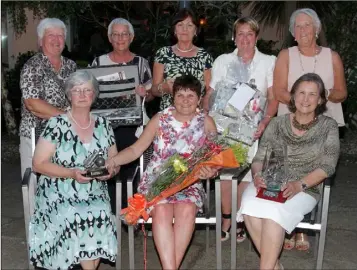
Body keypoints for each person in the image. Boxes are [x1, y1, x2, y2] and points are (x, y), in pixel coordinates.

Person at [107, 75, 219, 269]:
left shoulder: (206, 122)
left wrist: (212, 170)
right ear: (172, 97)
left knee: (186, 209)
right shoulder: (160, 119)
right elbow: (136, 149)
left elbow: (216, 158)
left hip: (189, 182)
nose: (185, 100)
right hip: (157, 181)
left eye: (191, 95)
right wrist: (113, 160)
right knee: (162, 211)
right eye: (180, 95)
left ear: (199, 99)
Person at [238, 73, 340, 270]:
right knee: (249, 205)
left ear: (320, 100)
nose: (306, 99)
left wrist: (298, 185)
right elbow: (259, 158)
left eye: (312, 94)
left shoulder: (329, 126)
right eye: (301, 92)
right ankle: (275, 266)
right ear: (293, 96)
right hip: (269, 181)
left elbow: (328, 166)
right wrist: (258, 175)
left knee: (275, 213)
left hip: (305, 187)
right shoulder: (277, 123)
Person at [273, 8, 347, 250]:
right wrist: (302, 107)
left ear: (317, 30)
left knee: (312, 176)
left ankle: (302, 229)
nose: (303, 30)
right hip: (291, 123)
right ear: (293, 33)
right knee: (287, 173)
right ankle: (286, 227)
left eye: (307, 25)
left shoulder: (331, 56)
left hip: (323, 124)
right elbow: (279, 91)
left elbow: (342, 92)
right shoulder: (286, 55)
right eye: (298, 26)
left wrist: (320, 98)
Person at [29, 70, 118, 269]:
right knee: (79, 215)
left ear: (94, 95)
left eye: (87, 90)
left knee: (100, 213)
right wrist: (71, 173)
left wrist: (111, 171)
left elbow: (114, 160)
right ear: (69, 95)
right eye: (77, 90)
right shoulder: (57, 124)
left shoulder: (104, 124)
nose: (82, 95)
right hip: (59, 190)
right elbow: (38, 163)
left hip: (94, 190)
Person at [207, 16, 278, 242]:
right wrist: (210, 119)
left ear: (256, 37)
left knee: (247, 174)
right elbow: (211, 94)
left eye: (250, 34)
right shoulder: (222, 61)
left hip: (254, 129)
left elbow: (274, 97)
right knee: (225, 173)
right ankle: (226, 218)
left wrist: (265, 122)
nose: (245, 39)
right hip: (225, 128)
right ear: (234, 37)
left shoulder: (269, 61)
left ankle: (240, 219)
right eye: (240, 34)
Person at [91, 18, 153, 212]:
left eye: (124, 34)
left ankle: (132, 213)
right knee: (106, 168)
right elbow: (89, 93)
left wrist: (145, 94)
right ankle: (109, 214)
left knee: (134, 169)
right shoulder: (98, 62)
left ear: (131, 37)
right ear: (110, 38)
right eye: (115, 34)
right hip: (104, 126)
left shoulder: (141, 63)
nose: (120, 38)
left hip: (133, 124)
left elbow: (150, 96)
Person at [19, 18, 76, 178]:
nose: (57, 40)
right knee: (35, 188)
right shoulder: (33, 66)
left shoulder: (71, 66)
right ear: (40, 40)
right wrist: (67, 117)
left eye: (61, 35)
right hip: (36, 136)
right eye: (51, 35)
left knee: (63, 185)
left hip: (65, 135)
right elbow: (32, 104)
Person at [151, 8, 213, 110]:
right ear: (174, 30)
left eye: (189, 25)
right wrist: (165, 87)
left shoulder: (205, 56)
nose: (185, 29)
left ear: (196, 30)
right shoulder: (163, 53)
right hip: (169, 115)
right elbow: (154, 90)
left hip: (195, 115)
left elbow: (209, 92)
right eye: (180, 25)